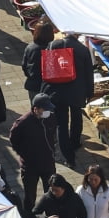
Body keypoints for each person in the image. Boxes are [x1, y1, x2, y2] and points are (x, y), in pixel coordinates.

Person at [40, 30, 94, 167]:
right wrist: (89, 93)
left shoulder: (53, 45)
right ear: (77, 34)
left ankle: (69, 157)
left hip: (57, 91)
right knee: (77, 116)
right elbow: (89, 74)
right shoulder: (82, 50)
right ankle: (75, 142)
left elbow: (47, 68)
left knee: (61, 124)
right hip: (76, 92)